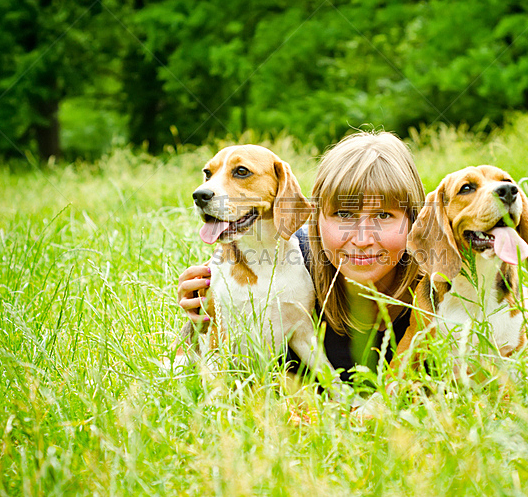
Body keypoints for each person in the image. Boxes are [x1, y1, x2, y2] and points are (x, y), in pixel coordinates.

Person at [176, 131, 425, 384]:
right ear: (315, 218)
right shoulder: (288, 259)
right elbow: (202, 340)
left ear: (415, 219)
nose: (362, 240)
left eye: (383, 216)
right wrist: (197, 312)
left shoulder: (440, 290)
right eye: (343, 214)